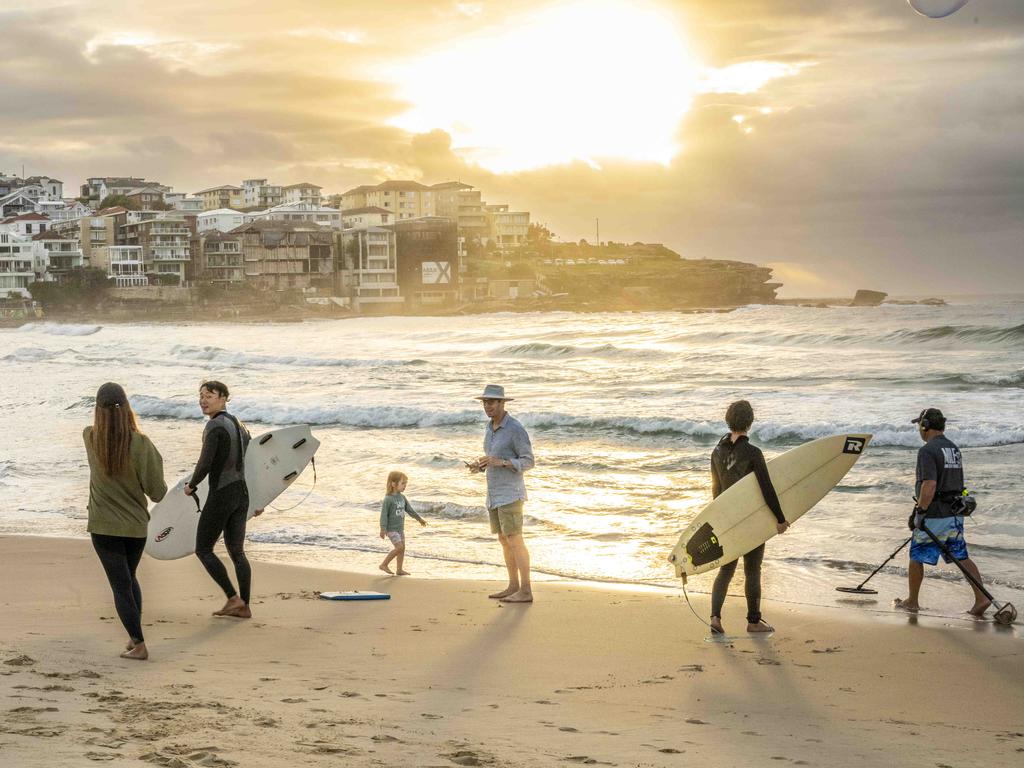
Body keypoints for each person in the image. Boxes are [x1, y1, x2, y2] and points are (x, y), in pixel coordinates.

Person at [83, 382, 167, 660]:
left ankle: (139, 643)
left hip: (103, 527)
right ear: (127, 408)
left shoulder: (89, 437)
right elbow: (157, 491)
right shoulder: (141, 444)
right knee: (129, 580)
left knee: (121, 586)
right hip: (134, 527)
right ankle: (135, 638)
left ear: (97, 409)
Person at [895, 408, 989, 616]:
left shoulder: (927, 451)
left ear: (925, 426)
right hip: (954, 513)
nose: (919, 430)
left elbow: (929, 484)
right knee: (961, 556)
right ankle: (981, 597)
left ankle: (912, 601)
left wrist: (919, 512)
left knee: (916, 555)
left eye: (920, 425)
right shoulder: (953, 448)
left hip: (935, 514)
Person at [708, 400, 788, 635]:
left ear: (728, 420)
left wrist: (717, 520)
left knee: (725, 570)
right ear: (750, 422)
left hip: (726, 519)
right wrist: (780, 519)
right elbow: (766, 488)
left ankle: (715, 618)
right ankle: (753, 622)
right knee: (752, 570)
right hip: (750, 520)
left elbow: (716, 491)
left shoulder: (716, 452)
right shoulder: (753, 453)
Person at [184, 380, 257, 619]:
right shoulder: (240, 424)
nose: (203, 400)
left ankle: (233, 598)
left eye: (210, 395)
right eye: (201, 395)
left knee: (203, 549)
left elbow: (205, 463)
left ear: (224, 398)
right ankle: (244, 605)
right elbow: (251, 462)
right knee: (237, 552)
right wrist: (258, 498)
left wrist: (191, 485)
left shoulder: (214, 426)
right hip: (241, 494)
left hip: (222, 494)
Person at [467, 384, 535, 603]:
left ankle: (526, 590)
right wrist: (481, 466)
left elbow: (528, 461)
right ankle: (513, 586)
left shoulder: (515, 428)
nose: (488, 406)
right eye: (485, 402)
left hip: (511, 493)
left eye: (492, 402)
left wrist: (502, 462)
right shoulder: (489, 428)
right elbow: (493, 458)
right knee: (504, 540)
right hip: (494, 493)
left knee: (515, 540)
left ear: (502, 403)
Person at [379, 471, 427, 575]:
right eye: (403, 483)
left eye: (406, 483)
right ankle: (384, 564)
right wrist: (383, 529)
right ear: (393, 484)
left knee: (402, 549)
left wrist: (419, 519)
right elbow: (383, 515)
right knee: (399, 547)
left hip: (400, 529)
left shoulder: (402, 497)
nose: (405, 486)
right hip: (391, 529)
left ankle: (399, 569)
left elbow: (410, 510)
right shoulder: (388, 499)